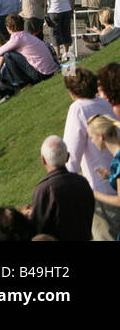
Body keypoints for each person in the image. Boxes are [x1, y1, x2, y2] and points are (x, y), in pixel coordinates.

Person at [62, 69, 119, 240]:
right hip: (112, 177)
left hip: (102, 192)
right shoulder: (105, 102)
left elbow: (70, 156)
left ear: (71, 92)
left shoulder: (78, 109)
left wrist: (68, 185)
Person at [27, 136, 94, 241]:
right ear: (67, 156)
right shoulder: (82, 181)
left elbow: (37, 229)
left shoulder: (43, 190)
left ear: (43, 160)